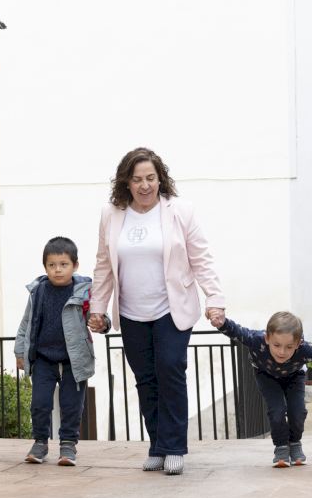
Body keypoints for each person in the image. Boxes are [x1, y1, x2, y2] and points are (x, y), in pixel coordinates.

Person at [89, 147, 225, 476]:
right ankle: (158, 446)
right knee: (146, 380)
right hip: (131, 312)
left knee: (170, 370)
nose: (145, 185)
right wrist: (98, 307)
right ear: (126, 182)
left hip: (171, 309)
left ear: (160, 179)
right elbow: (103, 264)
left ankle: (174, 447)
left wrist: (214, 298)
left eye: (150, 178)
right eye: (137, 179)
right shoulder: (112, 214)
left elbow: (201, 258)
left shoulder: (180, 211)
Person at [210, 311, 312, 467]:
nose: (282, 352)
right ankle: (281, 447)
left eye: (289, 347)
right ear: (267, 338)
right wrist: (222, 323)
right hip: (266, 376)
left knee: (298, 412)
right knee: (277, 411)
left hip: (295, 376)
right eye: (276, 345)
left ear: (298, 343)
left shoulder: (304, 349)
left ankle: (295, 443)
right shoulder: (256, 340)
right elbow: (237, 332)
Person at [16, 237, 108, 465]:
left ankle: (68, 445)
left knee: (71, 406)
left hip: (73, 361)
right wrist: (20, 352)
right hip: (43, 360)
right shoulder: (38, 292)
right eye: (52, 265)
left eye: (63, 264)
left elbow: (98, 315)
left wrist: (101, 323)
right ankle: (40, 443)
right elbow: (26, 323)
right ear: (45, 267)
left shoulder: (83, 293)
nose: (57, 270)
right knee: (39, 404)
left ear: (75, 265)